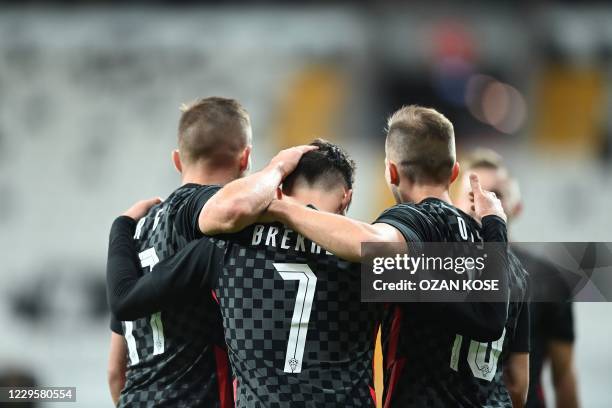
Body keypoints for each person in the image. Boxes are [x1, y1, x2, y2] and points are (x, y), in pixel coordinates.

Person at [245, 106, 520, 407]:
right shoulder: (509, 264)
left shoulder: (412, 224)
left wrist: (283, 209)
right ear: (454, 173)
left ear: (391, 171)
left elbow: (374, 248)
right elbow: (518, 383)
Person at [107, 140, 383, 407]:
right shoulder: (373, 261)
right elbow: (425, 284)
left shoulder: (226, 247)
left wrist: (121, 226)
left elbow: (126, 299)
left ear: (277, 192)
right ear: (347, 197)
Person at [106, 97, 254, 407]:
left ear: (177, 160)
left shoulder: (136, 231)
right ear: (245, 158)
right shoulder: (215, 218)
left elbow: (114, 372)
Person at [456, 149, 579, 408]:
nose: (482, 201)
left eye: (495, 195)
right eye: (472, 193)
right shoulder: (432, 270)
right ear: (454, 203)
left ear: (516, 207)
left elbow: (563, 374)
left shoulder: (546, 278)